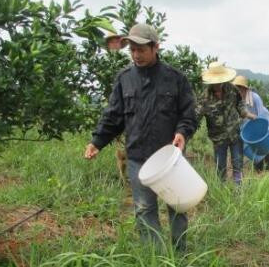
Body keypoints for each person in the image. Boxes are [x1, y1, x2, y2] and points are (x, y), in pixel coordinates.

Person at [84, 23, 198, 253]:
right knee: (144, 210)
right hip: (138, 157)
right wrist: (97, 141)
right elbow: (114, 116)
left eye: (141, 50)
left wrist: (182, 132)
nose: (136, 55)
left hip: (169, 158)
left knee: (177, 206)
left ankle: (181, 255)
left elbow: (188, 113)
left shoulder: (175, 79)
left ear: (155, 47)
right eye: (132, 50)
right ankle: (156, 260)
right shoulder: (124, 79)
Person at [197, 62, 256, 184]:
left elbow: (240, 103)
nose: (217, 84)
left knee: (238, 165)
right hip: (218, 139)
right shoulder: (204, 97)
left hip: (235, 134)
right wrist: (183, 132)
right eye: (215, 82)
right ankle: (222, 192)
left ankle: (239, 192)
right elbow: (195, 117)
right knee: (221, 168)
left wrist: (247, 114)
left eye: (219, 81)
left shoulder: (232, 89)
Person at [232, 75, 269, 171]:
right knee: (255, 151)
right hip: (249, 127)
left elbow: (261, 115)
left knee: (267, 150)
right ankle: (259, 172)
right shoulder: (235, 100)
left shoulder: (255, 98)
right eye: (235, 88)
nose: (237, 91)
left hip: (263, 123)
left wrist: (261, 131)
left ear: (244, 88)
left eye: (239, 88)